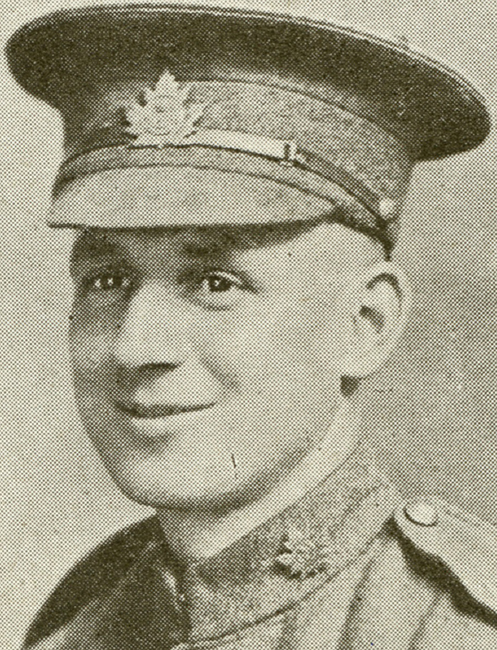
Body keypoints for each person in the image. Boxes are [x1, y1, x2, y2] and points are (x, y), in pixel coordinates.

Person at [6, 3, 497, 648]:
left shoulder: (454, 629)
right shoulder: (83, 623)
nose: (133, 346)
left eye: (216, 284)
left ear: (365, 326)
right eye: (108, 280)